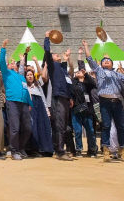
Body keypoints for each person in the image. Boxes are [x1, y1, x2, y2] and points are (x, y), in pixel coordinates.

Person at [82, 40, 124, 162]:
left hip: (117, 101)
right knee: (106, 126)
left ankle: (123, 151)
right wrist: (86, 47)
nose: (106, 61)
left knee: (120, 126)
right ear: (102, 64)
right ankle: (106, 151)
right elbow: (89, 59)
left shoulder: (116, 74)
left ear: (112, 64)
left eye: (108, 60)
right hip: (104, 102)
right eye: (104, 61)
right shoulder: (99, 71)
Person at [0, 40, 32, 161]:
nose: (13, 63)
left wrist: (30, 103)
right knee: (15, 127)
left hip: (24, 104)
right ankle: (14, 151)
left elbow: (25, 90)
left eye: (14, 63)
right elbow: (2, 61)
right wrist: (3, 47)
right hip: (12, 102)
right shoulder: (6, 73)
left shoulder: (21, 76)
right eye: (10, 63)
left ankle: (21, 147)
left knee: (28, 128)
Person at [43, 32, 73, 161]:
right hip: (57, 97)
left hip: (65, 98)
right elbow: (47, 50)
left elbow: (68, 83)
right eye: (55, 55)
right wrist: (47, 38)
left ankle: (60, 149)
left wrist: (70, 97)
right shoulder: (52, 66)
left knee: (65, 126)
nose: (57, 55)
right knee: (60, 125)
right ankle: (60, 151)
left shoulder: (62, 68)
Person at [70, 48, 98, 157]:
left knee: (90, 130)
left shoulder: (88, 82)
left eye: (80, 72)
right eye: (77, 72)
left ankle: (92, 149)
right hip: (76, 110)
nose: (78, 72)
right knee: (77, 131)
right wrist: (79, 55)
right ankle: (79, 149)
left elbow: (92, 82)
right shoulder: (73, 82)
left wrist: (85, 74)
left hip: (87, 109)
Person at [24, 55, 54, 156]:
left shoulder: (37, 84)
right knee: (33, 128)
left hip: (40, 107)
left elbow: (43, 76)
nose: (30, 76)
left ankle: (44, 149)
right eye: (28, 75)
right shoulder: (24, 86)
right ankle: (32, 150)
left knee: (43, 127)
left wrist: (46, 109)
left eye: (31, 75)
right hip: (30, 107)